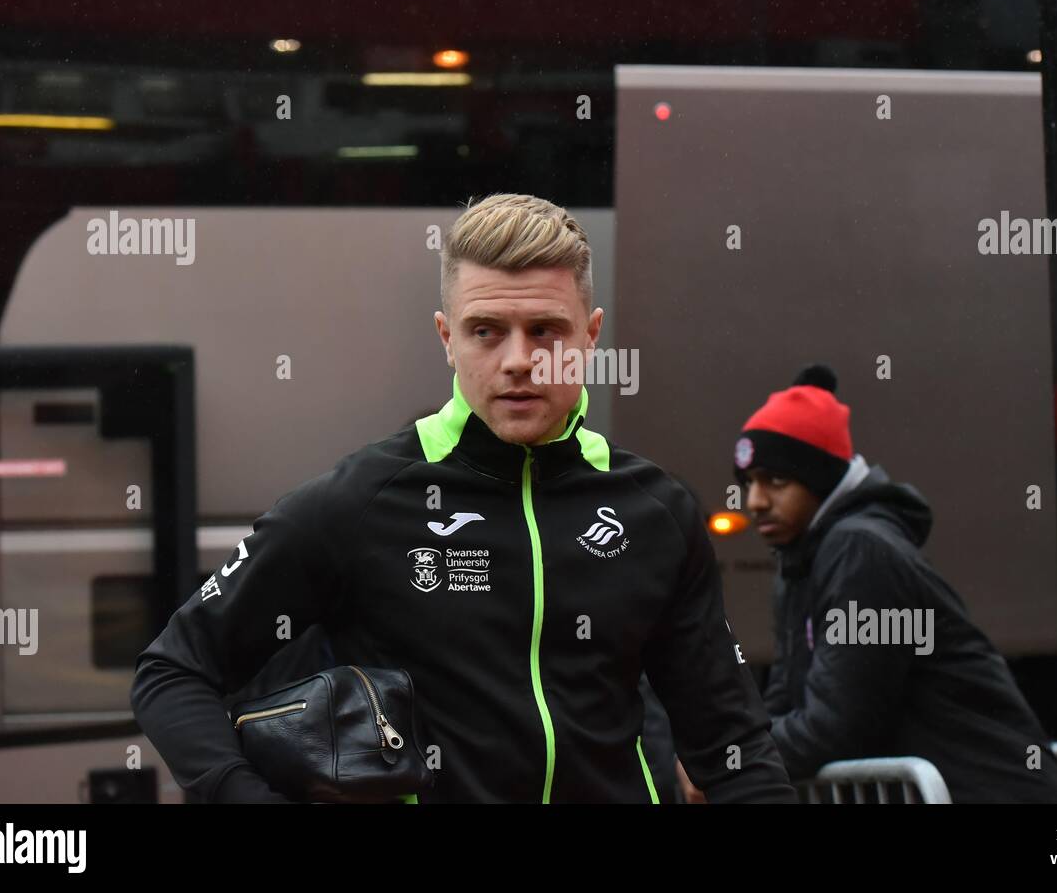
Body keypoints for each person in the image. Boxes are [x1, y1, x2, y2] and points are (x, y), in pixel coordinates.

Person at [130, 193, 795, 803]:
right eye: (486, 331)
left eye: (546, 330)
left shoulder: (657, 511)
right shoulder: (362, 501)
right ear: (447, 338)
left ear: (591, 336)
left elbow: (733, 753)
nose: (518, 359)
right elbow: (172, 670)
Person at [733, 363, 1057, 802]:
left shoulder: (858, 551)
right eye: (748, 482)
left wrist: (728, 764)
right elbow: (785, 704)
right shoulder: (804, 559)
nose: (754, 501)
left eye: (776, 480)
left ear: (821, 477)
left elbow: (835, 723)